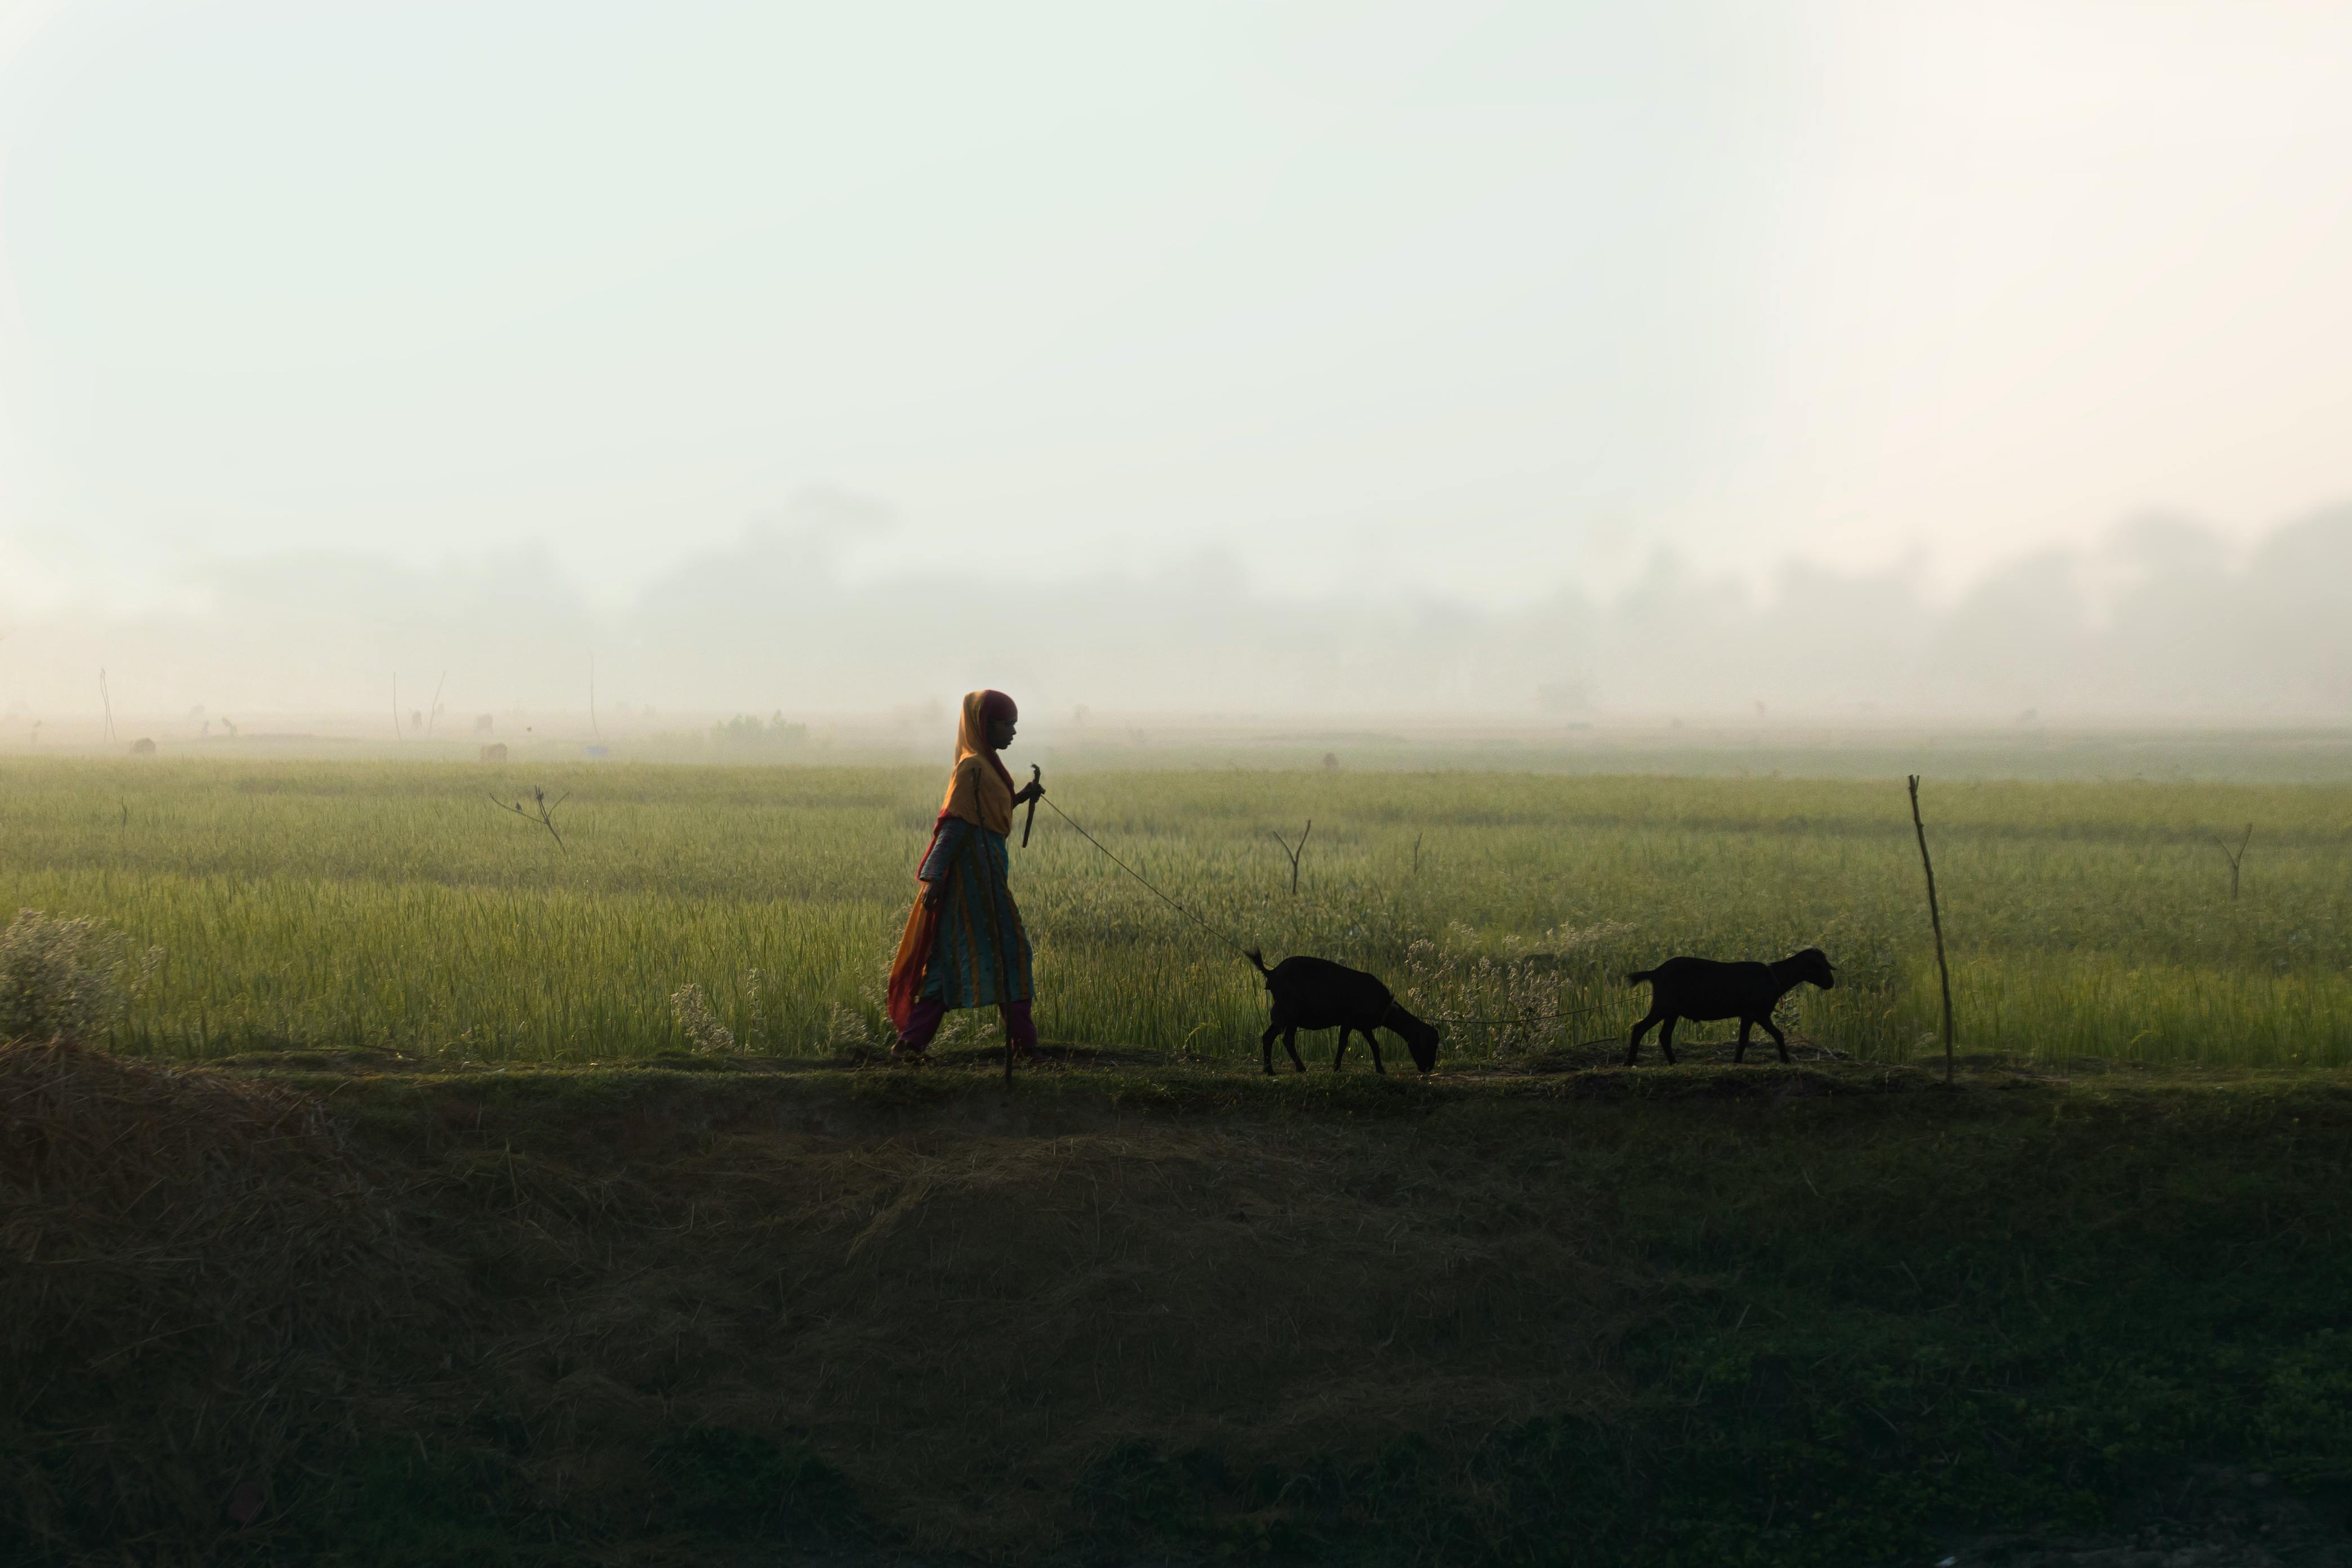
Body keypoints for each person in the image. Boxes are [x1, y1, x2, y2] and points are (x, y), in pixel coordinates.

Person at [885, 689, 1045, 1061]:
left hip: (987, 876)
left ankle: (910, 1045)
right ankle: (1026, 1046)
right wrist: (935, 879)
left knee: (948, 959)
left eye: (1015, 726)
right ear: (983, 725)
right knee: (1013, 952)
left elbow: (985, 811)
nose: (1013, 733)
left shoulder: (984, 766)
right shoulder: (972, 767)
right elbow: (954, 827)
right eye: (1008, 725)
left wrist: (1021, 796)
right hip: (975, 882)